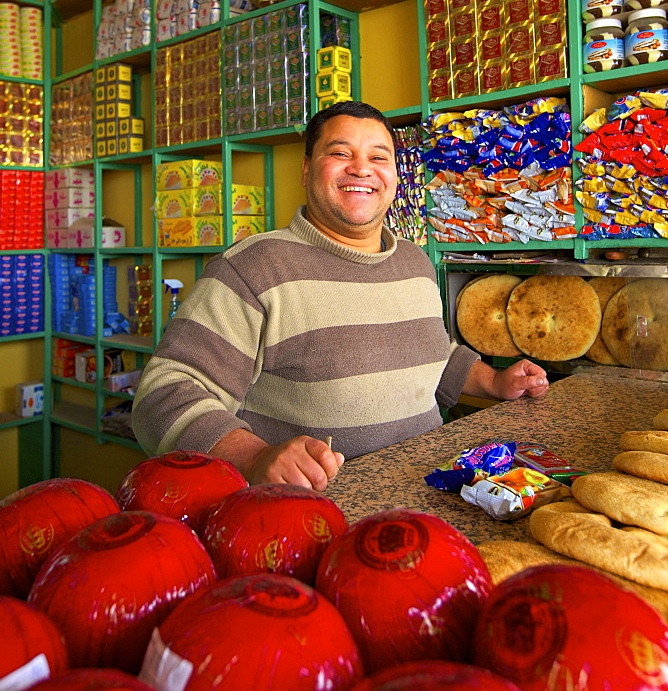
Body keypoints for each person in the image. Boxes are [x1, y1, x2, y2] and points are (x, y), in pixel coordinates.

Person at [133, 101, 549, 490]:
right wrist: (255, 457)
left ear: (394, 175)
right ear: (307, 168)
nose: (362, 170)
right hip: (313, 517)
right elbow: (164, 392)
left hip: (423, 496)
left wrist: (494, 380)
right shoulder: (255, 267)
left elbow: (429, 355)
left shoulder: (414, 261)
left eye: (378, 157)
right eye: (341, 153)